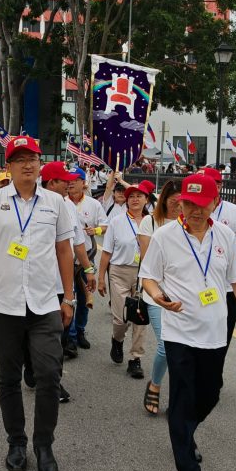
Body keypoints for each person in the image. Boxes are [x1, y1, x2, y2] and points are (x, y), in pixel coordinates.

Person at [139, 174, 236, 471]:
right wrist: (159, 297)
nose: (194, 210)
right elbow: (147, 276)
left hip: (214, 331)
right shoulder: (165, 237)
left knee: (210, 393)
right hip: (179, 331)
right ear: (180, 203)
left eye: (201, 203)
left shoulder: (224, 234)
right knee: (181, 398)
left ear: (214, 202)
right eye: (188, 204)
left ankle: (185, 430)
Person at [0, 136, 75, 471]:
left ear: (40, 163)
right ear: (8, 166)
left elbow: (64, 251)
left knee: (49, 375)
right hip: (4, 306)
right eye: (19, 159)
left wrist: (68, 297)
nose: (27, 164)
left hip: (43, 304)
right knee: (8, 378)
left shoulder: (55, 202)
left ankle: (44, 445)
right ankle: (16, 442)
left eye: (33, 158)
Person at [38, 161, 95, 397]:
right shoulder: (32, 203)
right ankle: (34, 367)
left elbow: (77, 242)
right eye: (65, 180)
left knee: (59, 332)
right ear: (52, 183)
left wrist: (89, 269)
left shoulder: (68, 206)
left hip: (63, 280)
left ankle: (53, 380)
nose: (69, 184)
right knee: (36, 331)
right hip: (36, 281)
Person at [97, 179, 155, 379]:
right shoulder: (117, 221)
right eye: (131, 196)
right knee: (121, 317)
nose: (135, 199)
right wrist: (101, 278)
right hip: (120, 272)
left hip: (144, 276)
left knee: (140, 318)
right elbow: (106, 252)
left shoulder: (152, 222)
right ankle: (117, 339)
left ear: (147, 199)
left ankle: (135, 358)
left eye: (139, 196)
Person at [137, 178, 181, 414]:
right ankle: (155, 384)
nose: (179, 207)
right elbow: (147, 261)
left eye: (182, 202)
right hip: (156, 294)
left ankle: (177, 398)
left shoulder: (191, 224)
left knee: (182, 349)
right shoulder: (150, 222)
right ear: (164, 200)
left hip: (184, 297)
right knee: (165, 346)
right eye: (174, 202)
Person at [195, 168, 236, 347]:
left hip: (226, 287)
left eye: (215, 183)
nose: (211, 186)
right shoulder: (192, 209)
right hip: (196, 284)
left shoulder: (234, 211)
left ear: (220, 185)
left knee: (223, 336)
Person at [66, 167, 109, 352]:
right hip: (66, 258)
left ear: (84, 183)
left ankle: (81, 329)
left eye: (76, 179)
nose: (71, 182)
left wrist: (95, 231)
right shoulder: (61, 201)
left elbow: (105, 225)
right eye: (69, 179)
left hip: (86, 258)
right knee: (69, 296)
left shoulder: (93, 204)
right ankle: (71, 334)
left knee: (84, 296)